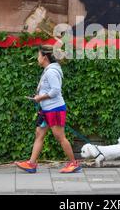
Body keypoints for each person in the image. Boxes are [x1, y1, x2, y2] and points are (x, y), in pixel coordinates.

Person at [15, 45, 81, 174]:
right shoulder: (49, 70)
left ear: (44, 57)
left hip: (54, 109)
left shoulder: (51, 71)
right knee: (39, 134)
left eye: (38, 55)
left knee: (60, 137)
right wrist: (40, 97)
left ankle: (74, 164)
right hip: (46, 110)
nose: (37, 58)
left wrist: (41, 98)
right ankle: (31, 164)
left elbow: (56, 91)